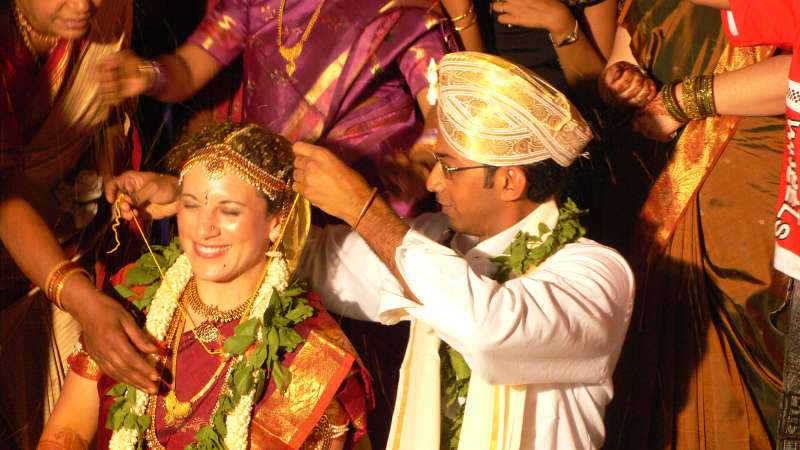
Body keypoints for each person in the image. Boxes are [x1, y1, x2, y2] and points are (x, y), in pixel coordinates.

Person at [293, 51, 634, 449]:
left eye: (449, 166)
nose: (433, 182)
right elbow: (322, 261)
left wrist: (364, 210)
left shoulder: (596, 275)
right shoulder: (434, 238)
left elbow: (490, 333)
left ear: (510, 182)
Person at [39, 122, 372, 450]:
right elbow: (66, 432)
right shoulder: (135, 297)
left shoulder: (308, 355)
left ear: (277, 221)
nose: (203, 228)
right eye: (191, 204)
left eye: (229, 211)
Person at [595, 0, 791, 448]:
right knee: (664, 366)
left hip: (749, 200)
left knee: (752, 348)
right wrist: (620, 84)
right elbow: (618, 64)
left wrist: (683, 100)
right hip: (654, 190)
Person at [96, 0, 454, 217]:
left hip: (371, 207)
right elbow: (189, 69)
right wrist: (148, 74)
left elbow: (443, 102)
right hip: (276, 200)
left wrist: (423, 160)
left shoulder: (397, 9)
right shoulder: (254, 5)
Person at [0, 0, 165, 447]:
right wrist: (84, 302)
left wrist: (112, 173)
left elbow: (107, 115)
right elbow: (6, 196)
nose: (84, 5)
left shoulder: (107, 14)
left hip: (75, 245)